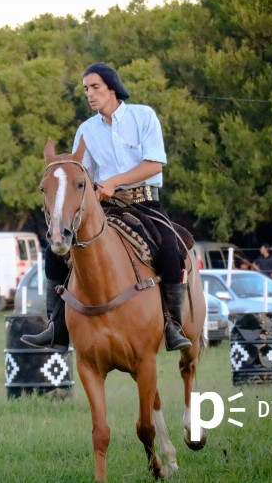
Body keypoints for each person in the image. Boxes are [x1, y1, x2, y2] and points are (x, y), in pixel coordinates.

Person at [21, 62, 191, 352]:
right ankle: (56, 328)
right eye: (86, 89)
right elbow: (81, 177)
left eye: (95, 87)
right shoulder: (85, 130)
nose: (89, 94)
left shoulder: (143, 116)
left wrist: (113, 181)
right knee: (55, 251)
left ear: (112, 87)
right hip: (105, 206)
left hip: (145, 202)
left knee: (168, 247)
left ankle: (173, 325)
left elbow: (154, 164)